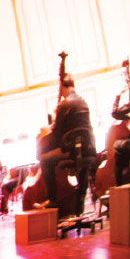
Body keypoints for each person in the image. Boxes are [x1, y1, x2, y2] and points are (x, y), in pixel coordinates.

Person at [39, 70, 94, 218]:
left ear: (62, 87)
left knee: (44, 160)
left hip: (71, 151)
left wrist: (52, 127)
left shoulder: (64, 105)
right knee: (80, 161)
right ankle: (80, 204)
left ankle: (53, 200)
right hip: (88, 150)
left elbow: (56, 137)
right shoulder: (83, 101)